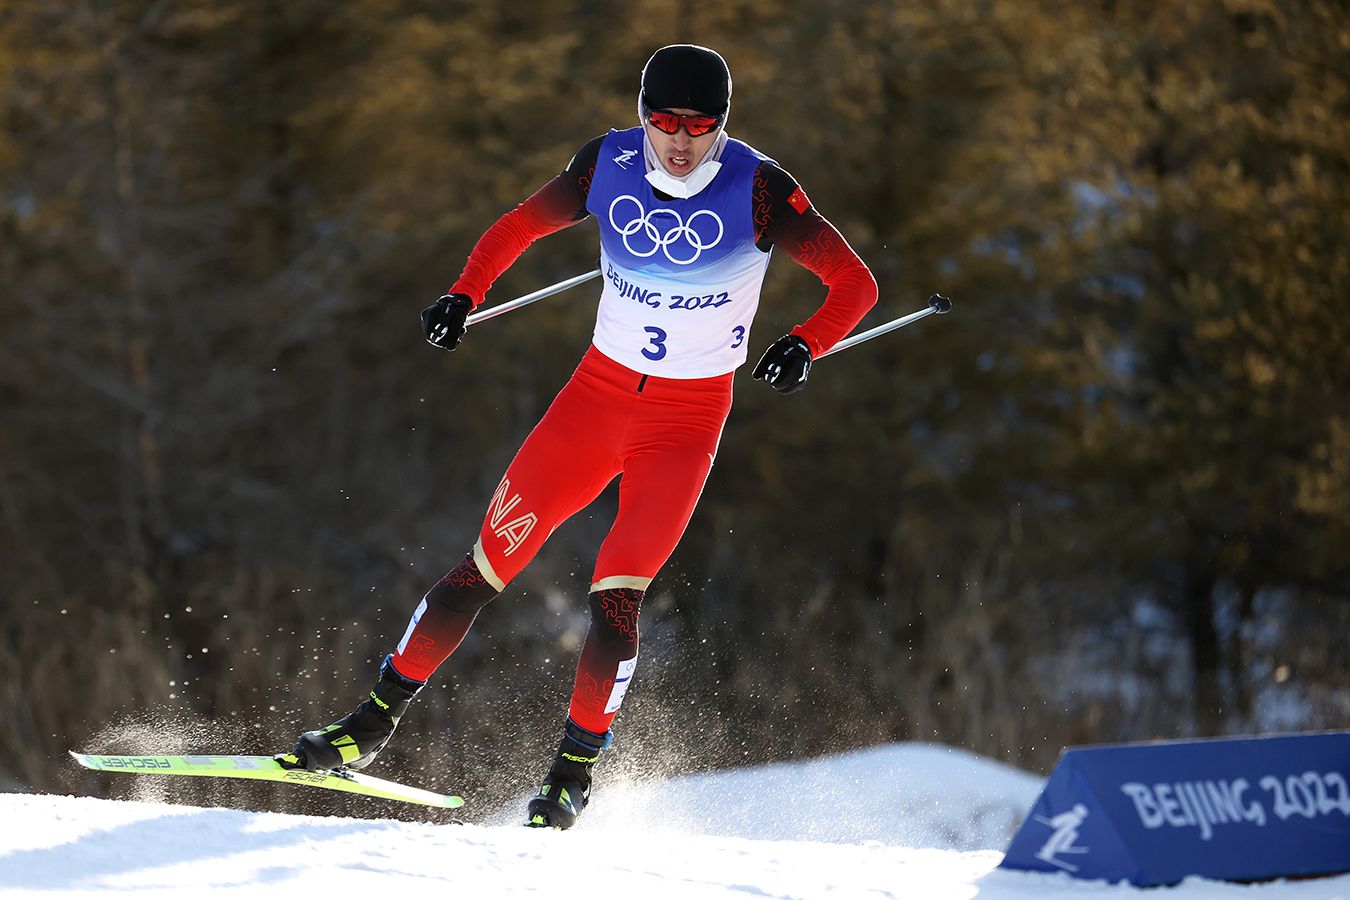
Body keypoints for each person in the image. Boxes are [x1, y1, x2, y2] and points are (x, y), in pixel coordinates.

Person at [280, 44, 878, 829]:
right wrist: (463, 292)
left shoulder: (762, 190)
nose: (680, 140)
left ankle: (569, 778)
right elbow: (516, 228)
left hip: (685, 422)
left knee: (615, 603)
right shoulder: (608, 161)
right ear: (642, 115)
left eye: (700, 126)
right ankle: (369, 727)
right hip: (592, 402)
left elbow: (856, 285)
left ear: (723, 126)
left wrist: (805, 344)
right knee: (484, 566)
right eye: (664, 121)